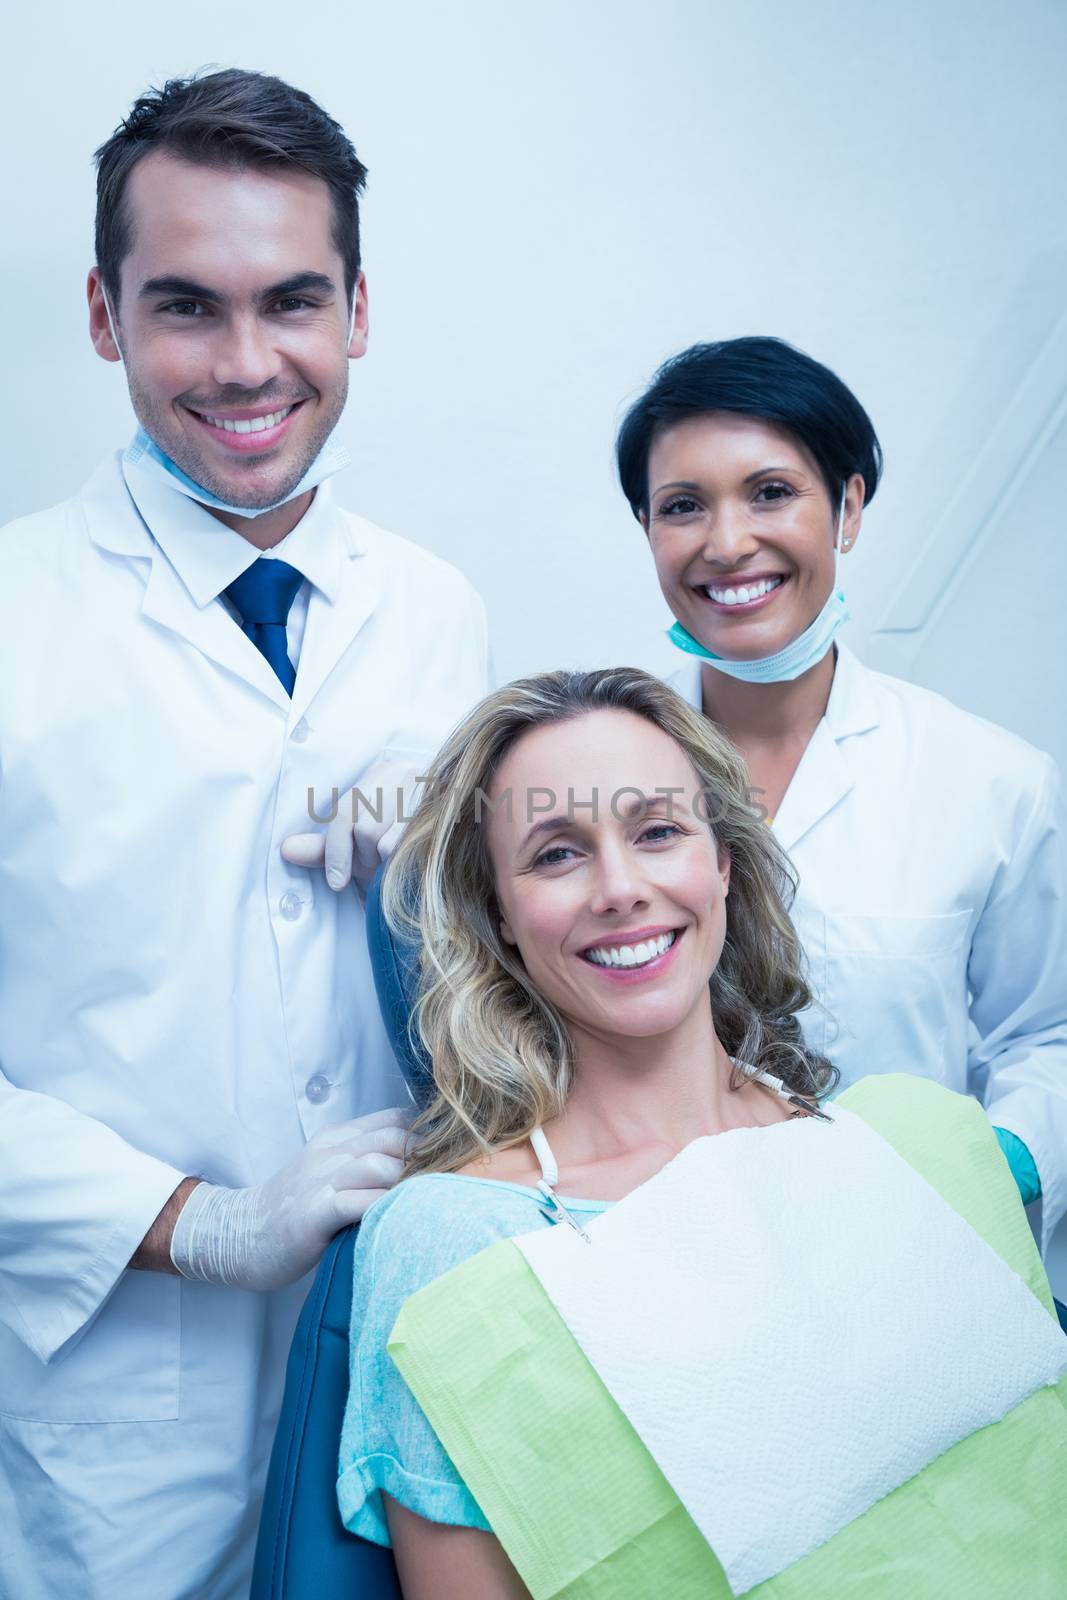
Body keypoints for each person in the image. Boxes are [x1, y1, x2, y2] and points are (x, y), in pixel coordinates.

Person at [0, 69, 489, 1599]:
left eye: (290, 303)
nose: (246, 363)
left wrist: (470, 868)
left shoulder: (436, 612)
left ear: (356, 308)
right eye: (185, 309)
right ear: (103, 315)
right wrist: (199, 1225)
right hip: (115, 1407)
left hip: (397, 1367)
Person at [336, 669, 1067, 1600]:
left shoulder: (912, 1151)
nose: (620, 889)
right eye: (556, 854)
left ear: (721, 862)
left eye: (656, 832)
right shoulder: (460, 1242)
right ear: (501, 919)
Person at [614, 336, 1067, 1256]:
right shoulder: (583, 771)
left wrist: (999, 1162)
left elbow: (1049, 1032)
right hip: (651, 1266)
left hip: (920, 1259)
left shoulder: (988, 782)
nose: (728, 541)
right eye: (682, 506)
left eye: (771, 492)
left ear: (848, 507)